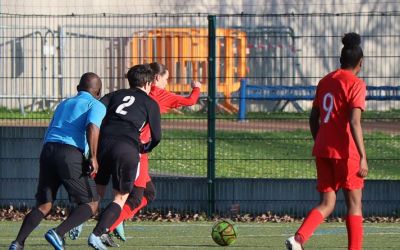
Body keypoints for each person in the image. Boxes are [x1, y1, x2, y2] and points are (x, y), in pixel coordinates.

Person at [285, 33, 368, 250]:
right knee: (354, 204)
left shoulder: (325, 81)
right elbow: (354, 122)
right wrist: (363, 157)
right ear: (360, 63)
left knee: (327, 203)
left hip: (323, 149)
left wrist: (320, 140)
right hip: (345, 152)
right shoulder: (356, 84)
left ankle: (298, 239)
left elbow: (313, 117)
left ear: (341, 60)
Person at [8, 72, 106, 250]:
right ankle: (58, 233)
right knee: (91, 203)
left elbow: (51, 128)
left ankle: (18, 243)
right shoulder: (96, 104)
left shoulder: (65, 103)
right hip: (69, 153)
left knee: (44, 205)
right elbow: (92, 126)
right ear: (98, 92)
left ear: (78, 89)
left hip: (48, 150)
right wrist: (93, 156)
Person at [106, 62, 201, 242]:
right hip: (137, 151)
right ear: (157, 78)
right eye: (166, 79)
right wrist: (196, 88)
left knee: (147, 193)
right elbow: (190, 101)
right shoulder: (160, 95)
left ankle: (116, 217)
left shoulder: (131, 93)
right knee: (135, 197)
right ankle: (107, 226)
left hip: (113, 143)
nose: (167, 83)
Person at [88, 64, 162, 250]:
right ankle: (98, 234)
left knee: (98, 191)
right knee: (121, 197)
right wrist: (145, 147)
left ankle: (75, 223)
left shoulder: (115, 95)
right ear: (147, 83)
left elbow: (96, 107)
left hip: (103, 144)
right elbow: (157, 136)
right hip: (126, 147)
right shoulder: (150, 102)